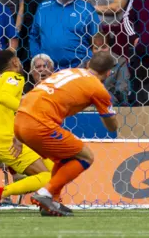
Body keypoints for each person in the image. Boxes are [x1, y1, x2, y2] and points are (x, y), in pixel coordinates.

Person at [14, 52, 119, 216]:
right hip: (39, 123)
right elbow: (112, 127)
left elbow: (33, 94)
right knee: (86, 156)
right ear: (108, 73)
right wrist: (109, 111)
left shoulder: (68, 72)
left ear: (88, 64)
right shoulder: (97, 88)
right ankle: (45, 193)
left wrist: (17, 134)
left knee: (65, 158)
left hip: (20, 119)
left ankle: (52, 202)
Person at [0, 49, 55, 214]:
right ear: (14, 62)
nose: (20, 63)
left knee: (52, 166)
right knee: (47, 176)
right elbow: (5, 99)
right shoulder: (15, 77)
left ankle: (51, 201)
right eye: (18, 60)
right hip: (2, 140)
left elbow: (6, 104)